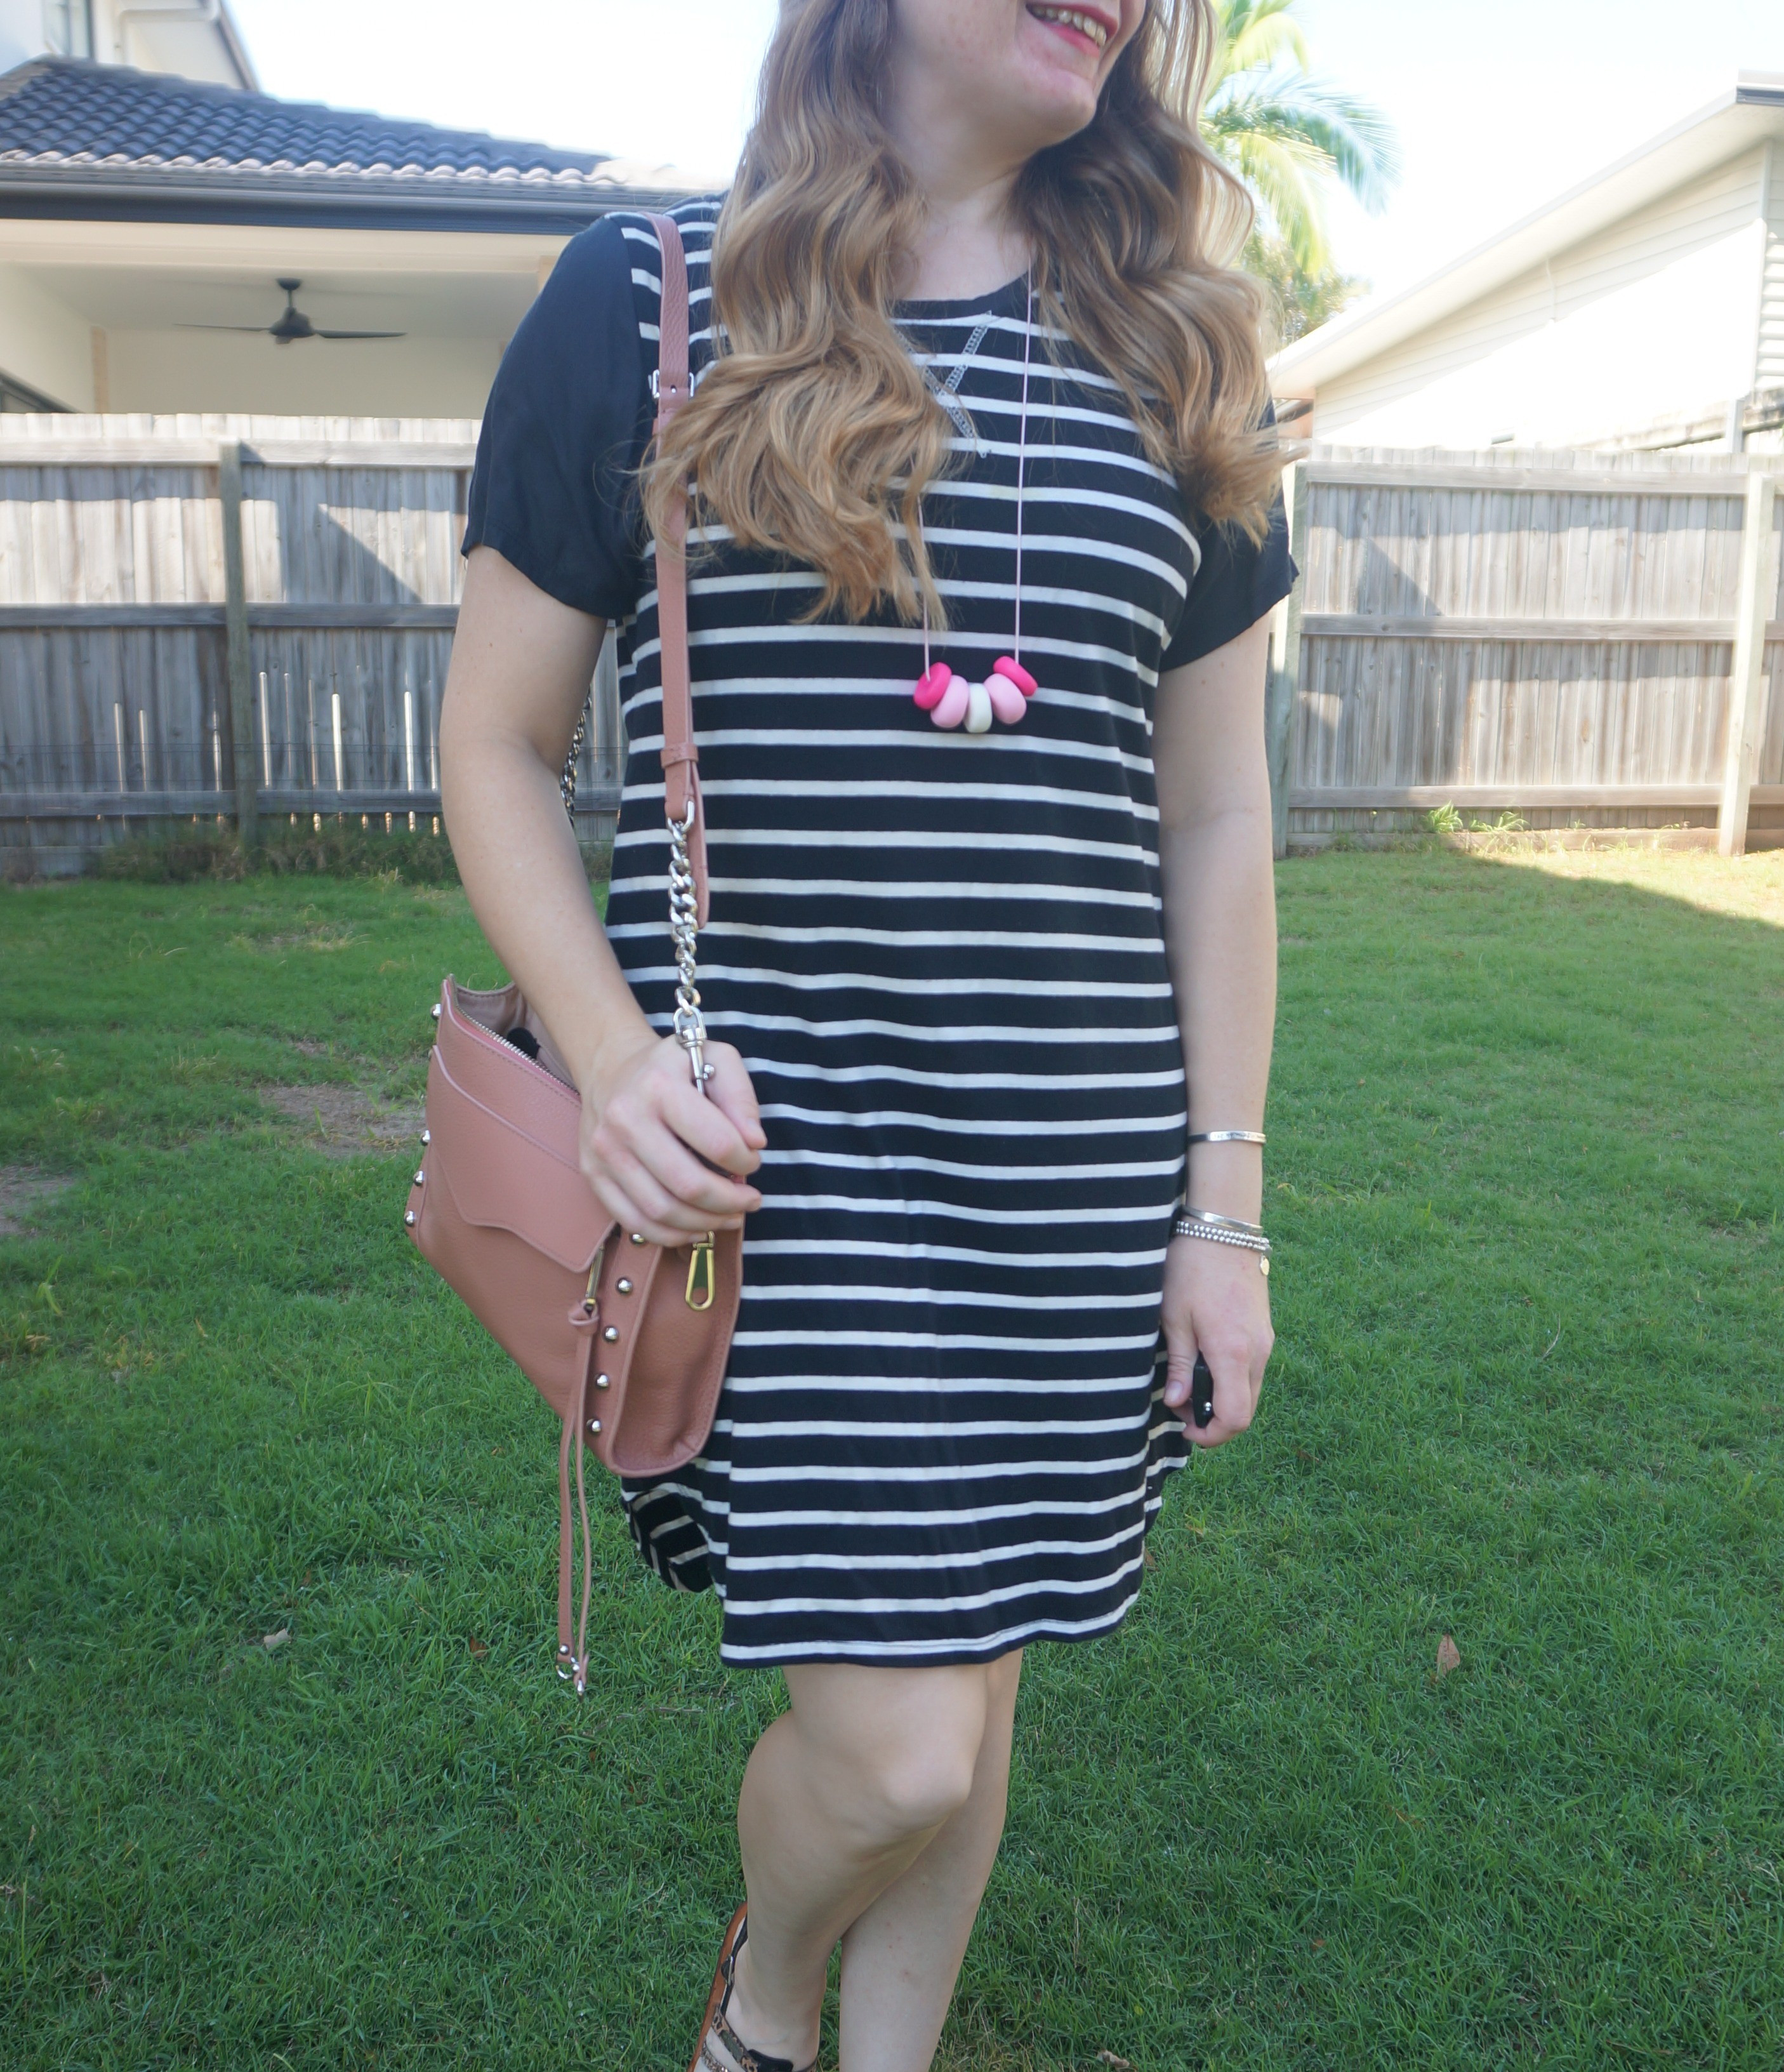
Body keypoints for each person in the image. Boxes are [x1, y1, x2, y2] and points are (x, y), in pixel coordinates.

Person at [438, 2, 1288, 2065]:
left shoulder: (1183, 346)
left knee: (981, 1676)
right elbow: (492, 739)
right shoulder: (646, 305)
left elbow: (1218, 815)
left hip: (1075, 1174)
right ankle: (771, 1994)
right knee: (898, 1748)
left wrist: (1225, 1208)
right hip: (783, 1179)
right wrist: (615, 1058)